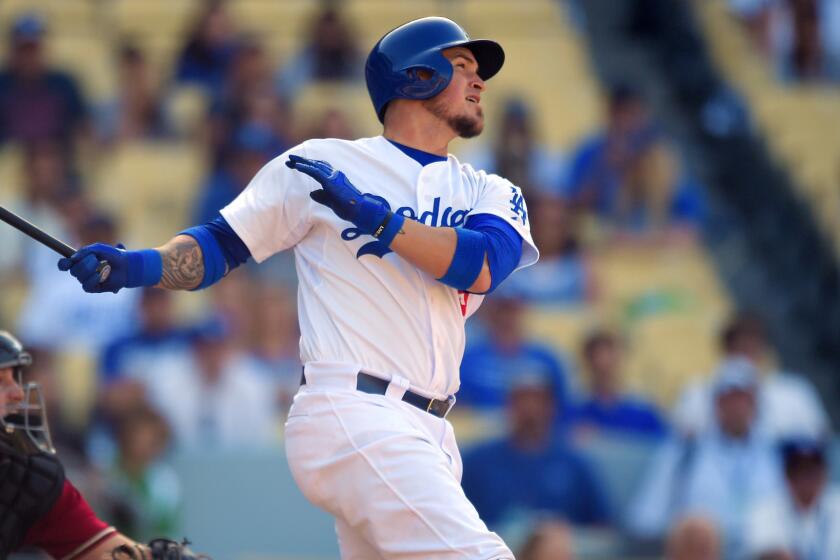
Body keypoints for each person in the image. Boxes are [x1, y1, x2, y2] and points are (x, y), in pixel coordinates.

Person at [57, 16, 538, 558]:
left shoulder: (489, 190)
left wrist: (380, 220)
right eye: (462, 67)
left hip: (429, 431)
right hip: (355, 409)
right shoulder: (325, 162)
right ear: (417, 77)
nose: (479, 83)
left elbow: (484, 265)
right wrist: (135, 265)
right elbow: (220, 246)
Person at [0, 330, 206, 559]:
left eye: (15, 378)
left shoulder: (29, 478)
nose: (18, 393)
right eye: (1, 381)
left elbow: (106, 551)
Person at [628, 359, 783, 559]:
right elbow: (645, 519)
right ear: (716, 403)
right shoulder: (685, 451)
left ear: (755, 404)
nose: (737, 407)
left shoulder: (776, 455)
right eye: (729, 398)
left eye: (744, 398)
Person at [461, 372, 610, 529]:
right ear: (508, 406)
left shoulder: (575, 465)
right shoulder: (477, 462)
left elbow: (601, 526)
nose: (530, 409)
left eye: (539, 401)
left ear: (552, 408)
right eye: (521, 400)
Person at [673, 311, 828, 439]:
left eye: (751, 349)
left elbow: (819, 443)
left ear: (763, 351)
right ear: (725, 351)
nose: (745, 358)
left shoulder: (795, 393)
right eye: (738, 349)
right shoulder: (696, 394)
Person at [459, 290, 570, 411]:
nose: (507, 318)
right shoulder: (470, 359)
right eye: (501, 311)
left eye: (513, 311)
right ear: (490, 315)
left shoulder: (545, 359)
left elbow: (562, 402)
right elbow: (458, 404)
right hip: (481, 426)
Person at [0, 12, 89, 147]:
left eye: (34, 50)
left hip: (58, 161)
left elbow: (82, 128)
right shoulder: (3, 85)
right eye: (24, 50)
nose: (29, 58)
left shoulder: (64, 85)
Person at [743, 437, 840, 560]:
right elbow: (763, 551)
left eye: (812, 471)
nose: (805, 477)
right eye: (799, 470)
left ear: (824, 473)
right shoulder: (766, 509)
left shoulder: (836, 504)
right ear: (787, 474)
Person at [570, 329, 668, 440]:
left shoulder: (643, 409)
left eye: (610, 352)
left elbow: (665, 447)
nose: (602, 362)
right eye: (595, 354)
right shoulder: (574, 409)